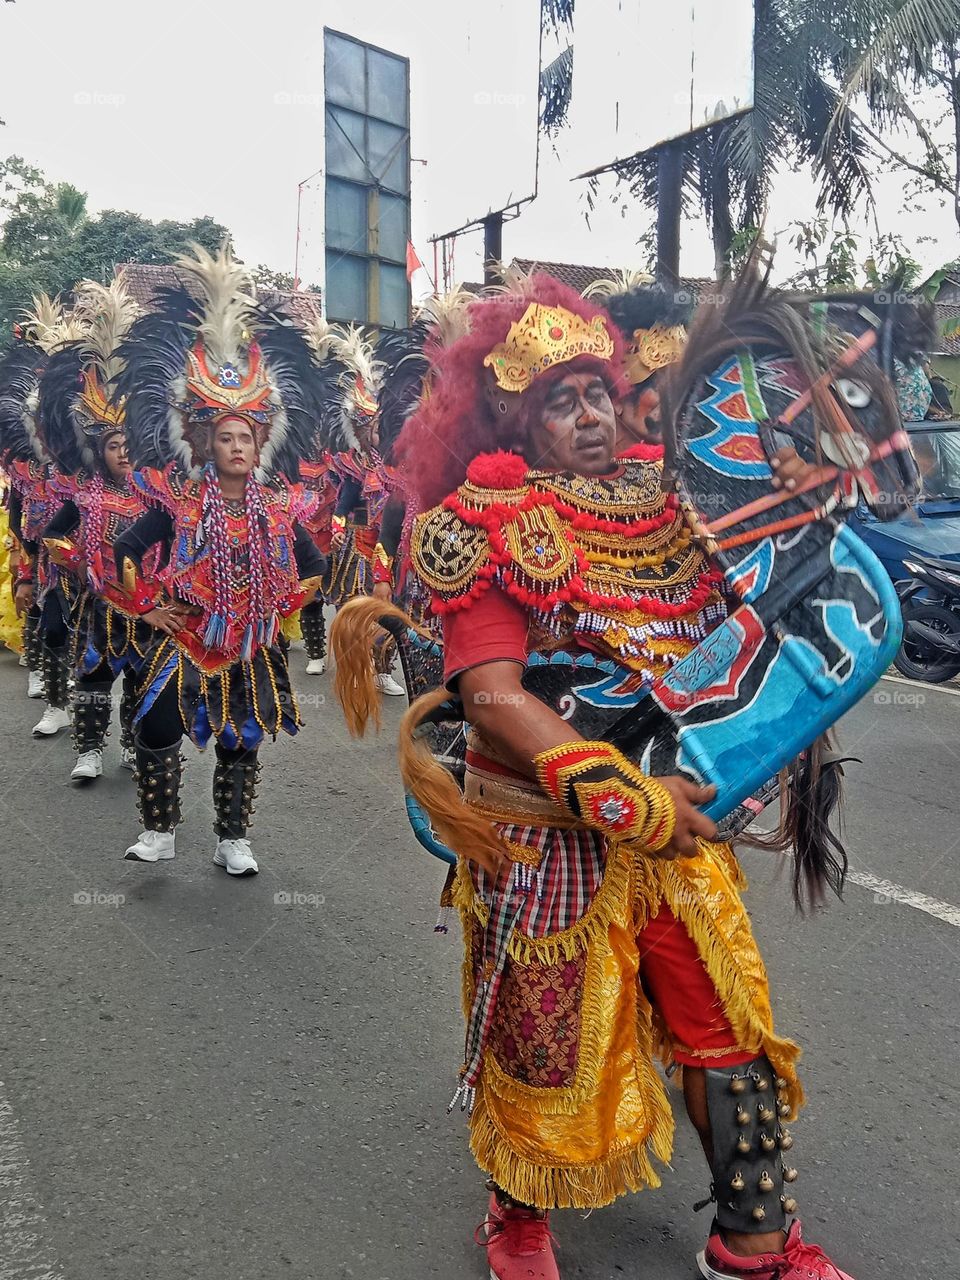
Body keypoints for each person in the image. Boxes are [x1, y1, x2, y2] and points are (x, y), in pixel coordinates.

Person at [334, 274, 857, 1280]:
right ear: (519, 418)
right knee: (543, 1040)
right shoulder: (487, 520)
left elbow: (756, 620)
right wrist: (619, 795)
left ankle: (754, 1239)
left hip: (678, 818)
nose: (590, 415)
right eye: (561, 400)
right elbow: (487, 691)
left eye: (597, 393)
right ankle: (519, 1212)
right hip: (543, 832)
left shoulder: (676, 500)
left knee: (725, 1021)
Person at [110, 244, 326, 875]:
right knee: (154, 729)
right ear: (204, 441)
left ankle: (234, 840)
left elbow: (314, 568)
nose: (237, 445)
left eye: (246, 436)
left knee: (242, 739)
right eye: (225, 436)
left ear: (261, 444)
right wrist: (148, 608)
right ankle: (160, 830)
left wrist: (284, 604)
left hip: (251, 643)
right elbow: (125, 551)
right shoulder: (175, 501)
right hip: (185, 637)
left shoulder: (282, 509)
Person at [39, 277, 155, 782]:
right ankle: (89, 749)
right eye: (113, 446)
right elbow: (53, 534)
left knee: (139, 678)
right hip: (98, 601)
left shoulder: (157, 496)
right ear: (98, 451)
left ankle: (131, 745)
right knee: (93, 674)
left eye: (128, 443)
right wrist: (79, 562)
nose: (123, 453)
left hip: (148, 603)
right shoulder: (84, 494)